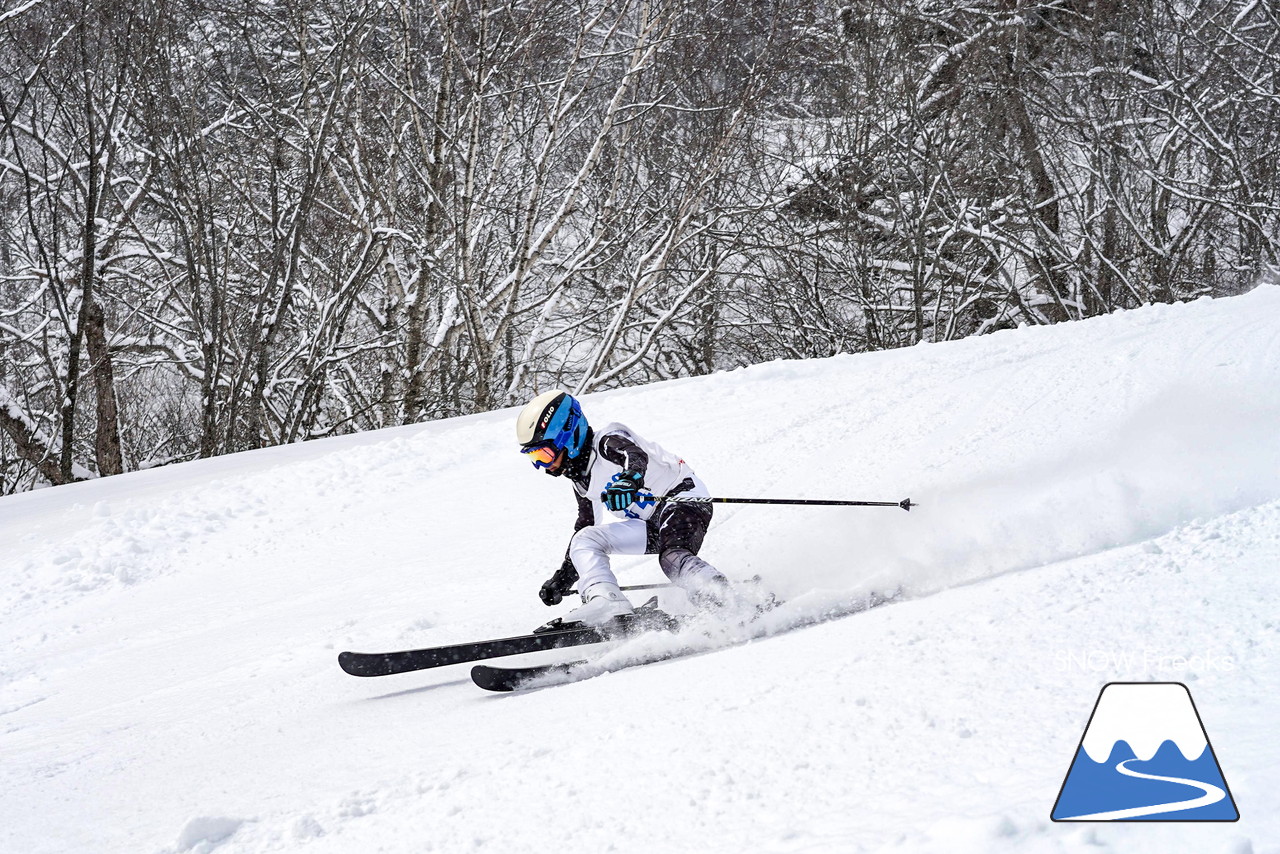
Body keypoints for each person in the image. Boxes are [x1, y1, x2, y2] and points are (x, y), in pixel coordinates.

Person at [516, 389, 731, 626]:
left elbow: (634, 455)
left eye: (544, 454)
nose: (543, 467)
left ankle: (725, 600)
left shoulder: (608, 441)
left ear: (569, 436)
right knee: (585, 539)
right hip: (651, 524)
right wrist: (563, 579)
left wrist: (630, 479)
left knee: (672, 557)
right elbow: (585, 525)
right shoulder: (581, 480)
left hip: (684, 500)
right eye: (534, 458)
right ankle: (605, 601)